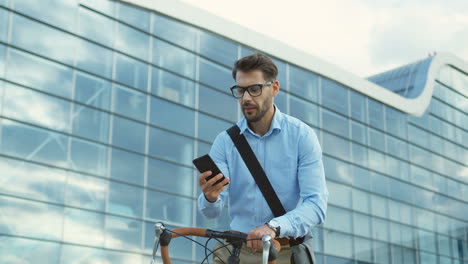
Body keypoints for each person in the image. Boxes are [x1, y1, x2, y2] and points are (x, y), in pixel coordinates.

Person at [197, 53, 328, 263]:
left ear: (274, 88)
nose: (246, 98)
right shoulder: (225, 142)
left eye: (254, 89)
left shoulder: (301, 136)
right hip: (235, 250)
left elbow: (317, 205)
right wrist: (211, 197)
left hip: (283, 250)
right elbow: (211, 212)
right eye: (240, 90)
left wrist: (273, 227)